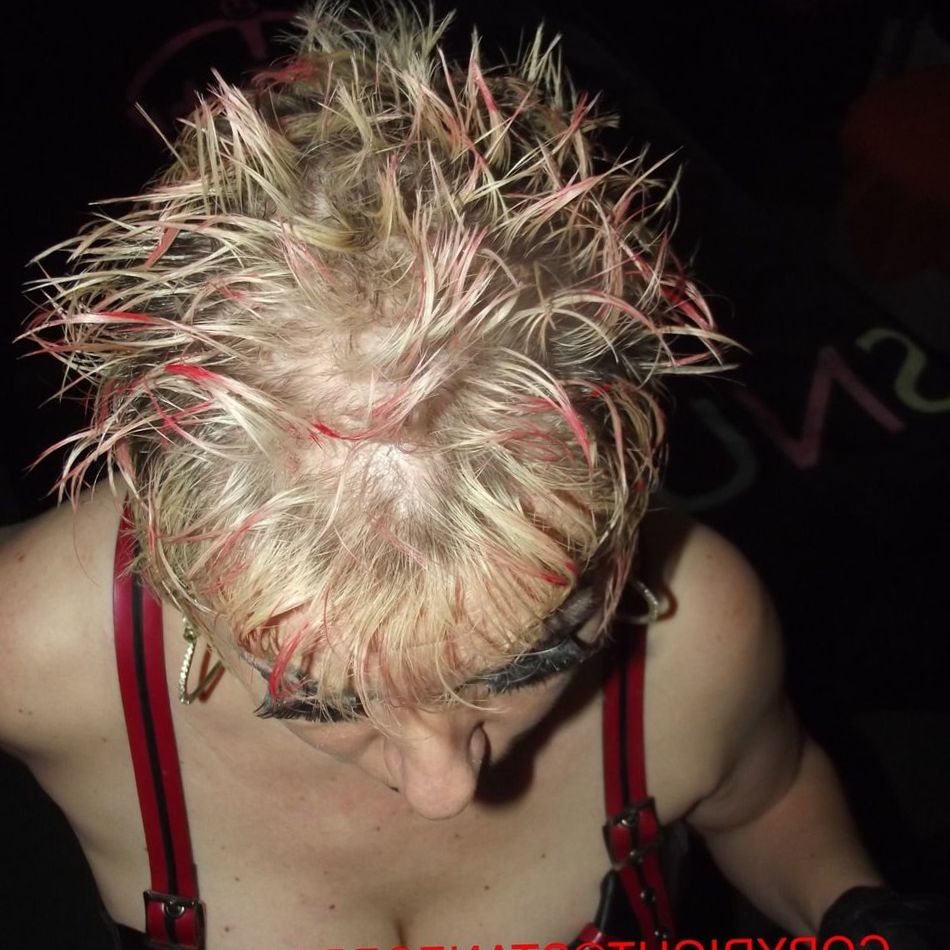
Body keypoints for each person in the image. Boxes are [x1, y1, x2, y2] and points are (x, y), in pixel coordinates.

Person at [1, 3, 945, 949]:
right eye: (319, 697)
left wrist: (853, 909)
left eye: (534, 660)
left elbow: (765, 798)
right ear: (168, 540)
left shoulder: (696, 629)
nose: (444, 787)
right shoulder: (29, 649)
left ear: (619, 506)